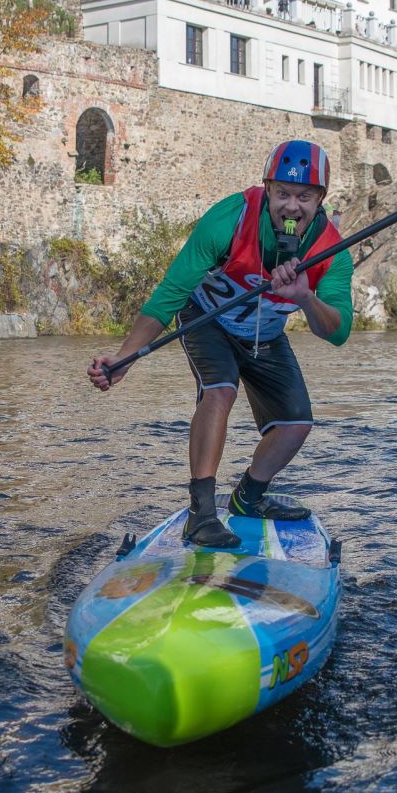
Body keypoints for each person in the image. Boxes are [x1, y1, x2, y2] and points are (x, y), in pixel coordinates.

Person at [87, 140, 354, 549]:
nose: (291, 207)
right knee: (220, 391)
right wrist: (126, 357)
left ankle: (248, 498)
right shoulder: (231, 217)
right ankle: (202, 514)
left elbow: (337, 332)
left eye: (304, 196)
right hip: (206, 318)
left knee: (297, 424)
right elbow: (172, 291)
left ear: (321, 200)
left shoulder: (331, 253)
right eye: (282, 193)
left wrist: (305, 297)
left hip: (264, 334)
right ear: (267, 189)